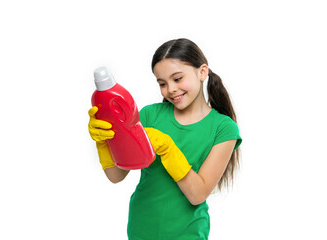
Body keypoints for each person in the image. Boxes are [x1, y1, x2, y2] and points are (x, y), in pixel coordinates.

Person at [88, 38, 242, 240]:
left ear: (202, 72)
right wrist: (105, 141)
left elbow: (197, 195)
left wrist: (169, 149)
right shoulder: (150, 116)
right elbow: (116, 176)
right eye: (162, 83)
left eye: (177, 79)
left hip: (188, 233)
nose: (170, 89)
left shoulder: (223, 128)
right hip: (141, 228)